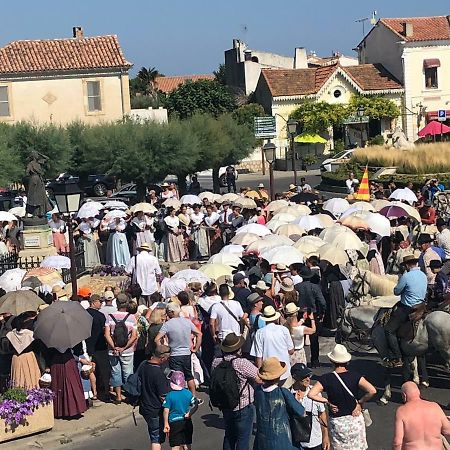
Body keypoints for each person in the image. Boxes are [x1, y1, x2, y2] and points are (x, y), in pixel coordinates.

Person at [308, 344, 376, 450]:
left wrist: (326, 401)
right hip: (355, 419)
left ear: (332, 361)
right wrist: (360, 402)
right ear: (347, 362)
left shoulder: (326, 379)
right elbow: (372, 391)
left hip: (337, 422)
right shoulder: (355, 376)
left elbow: (311, 394)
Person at [211, 332, 260, 450]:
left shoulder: (216, 362)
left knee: (229, 436)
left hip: (225, 404)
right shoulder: (241, 363)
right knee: (243, 438)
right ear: (238, 349)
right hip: (243, 406)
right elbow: (259, 378)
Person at [384, 255, 427, 368]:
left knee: (389, 330)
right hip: (422, 306)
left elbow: (397, 292)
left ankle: (398, 358)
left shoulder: (406, 276)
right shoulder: (423, 275)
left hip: (408, 308)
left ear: (407, 265)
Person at [253, 357, 305, 450]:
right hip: (282, 438)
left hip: (262, 438)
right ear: (279, 376)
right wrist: (297, 399)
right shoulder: (283, 392)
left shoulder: (257, 391)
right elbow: (301, 412)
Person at [154, 303, 202, 397]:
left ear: (171, 312)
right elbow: (199, 334)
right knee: (189, 376)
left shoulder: (167, 325)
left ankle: (180, 398)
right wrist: (195, 348)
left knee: (177, 378)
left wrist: (163, 351)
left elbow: (157, 339)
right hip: (186, 353)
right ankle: (193, 396)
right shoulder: (187, 322)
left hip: (174, 354)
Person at [392, 381, 450, 450]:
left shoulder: (402, 412)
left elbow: (397, 443)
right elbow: (447, 430)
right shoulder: (435, 406)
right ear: (418, 392)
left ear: (404, 396)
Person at [104, 294, 138, 403]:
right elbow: (134, 336)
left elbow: (107, 335)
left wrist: (114, 347)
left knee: (115, 372)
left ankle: (118, 397)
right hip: (127, 351)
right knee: (128, 373)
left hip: (113, 350)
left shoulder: (110, 317)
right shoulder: (131, 317)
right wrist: (124, 348)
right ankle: (129, 395)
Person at [250, 306, 294, 386]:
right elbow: (291, 351)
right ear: (276, 318)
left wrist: (260, 373)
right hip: (284, 370)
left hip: (268, 373)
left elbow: (258, 356)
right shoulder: (284, 330)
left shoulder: (260, 332)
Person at [291, 363, 330, 450]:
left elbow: (322, 415)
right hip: (295, 443)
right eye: (303, 377)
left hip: (314, 441)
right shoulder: (289, 394)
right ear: (294, 377)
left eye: (309, 375)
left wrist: (325, 437)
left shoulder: (315, 393)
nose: (307, 379)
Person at [139, 344, 171, 450]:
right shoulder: (158, 373)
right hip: (155, 409)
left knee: (153, 434)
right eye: (167, 358)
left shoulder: (143, 365)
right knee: (156, 439)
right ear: (162, 358)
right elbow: (163, 396)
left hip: (145, 406)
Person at [295, 266, 326, 368]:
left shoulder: (297, 287)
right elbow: (322, 302)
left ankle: (299, 361)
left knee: (298, 337)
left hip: (300, 313)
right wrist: (322, 313)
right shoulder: (315, 287)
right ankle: (314, 361)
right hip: (313, 314)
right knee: (314, 338)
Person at [163, 371, 198, 450]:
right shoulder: (188, 393)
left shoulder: (169, 395)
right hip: (186, 421)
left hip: (174, 422)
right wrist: (190, 413)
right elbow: (195, 405)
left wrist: (166, 423)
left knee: (175, 445)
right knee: (187, 443)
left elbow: (166, 410)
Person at [86, 294, 109, 401]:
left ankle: (91, 391)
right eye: (100, 301)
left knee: (89, 370)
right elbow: (104, 331)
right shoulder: (100, 316)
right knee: (103, 370)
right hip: (100, 346)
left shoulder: (84, 314)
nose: (101, 303)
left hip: (87, 346)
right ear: (94, 302)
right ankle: (103, 391)